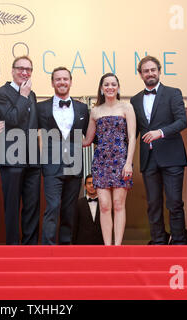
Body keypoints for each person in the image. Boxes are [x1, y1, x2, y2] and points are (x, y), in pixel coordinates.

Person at [130, 56, 187, 245]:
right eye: (146, 71)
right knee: (153, 204)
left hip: (172, 157)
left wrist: (160, 132)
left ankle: (178, 242)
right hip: (149, 160)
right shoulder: (135, 99)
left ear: (159, 71)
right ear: (140, 74)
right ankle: (158, 242)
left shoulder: (173, 93)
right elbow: (133, 132)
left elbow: (182, 121)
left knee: (174, 203)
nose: (150, 73)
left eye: (153, 70)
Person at [37, 67, 90, 245]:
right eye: (58, 79)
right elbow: (28, 133)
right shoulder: (41, 107)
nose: (62, 82)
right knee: (52, 207)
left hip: (75, 166)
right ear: (52, 83)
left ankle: (65, 248)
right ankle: (48, 249)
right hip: (51, 165)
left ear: (70, 82)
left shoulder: (83, 108)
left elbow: (92, 134)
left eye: (65, 79)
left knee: (69, 210)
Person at [82, 73, 136, 245]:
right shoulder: (96, 111)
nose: (110, 87)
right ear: (101, 88)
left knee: (118, 204)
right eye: (106, 84)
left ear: (118, 87)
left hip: (121, 161)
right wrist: (65, 138)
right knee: (104, 206)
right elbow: (88, 140)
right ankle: (108, 247)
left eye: (113, 84)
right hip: (101, 162)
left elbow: (132, 137)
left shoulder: (127, 108)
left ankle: (117, 247)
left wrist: (128, 163)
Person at [0, 56, 40, 245]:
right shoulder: (1, 93)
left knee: (32, 205)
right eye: (20, 68)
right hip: (11, 156)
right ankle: (13, 247)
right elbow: (11, 119)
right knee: (12, 206)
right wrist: (22, 96)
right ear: (12, 70)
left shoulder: (32, 94)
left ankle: (30, 247)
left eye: (28, 69)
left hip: (33, 158)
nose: (24, 72)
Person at [72, 174, 104, 245]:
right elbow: (74, 226)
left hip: (101, 245)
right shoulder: (78, 203)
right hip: (82, 245)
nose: (92, 185)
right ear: (85, 186)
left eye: (94, 183)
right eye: (89, 183)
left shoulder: (104, 204)